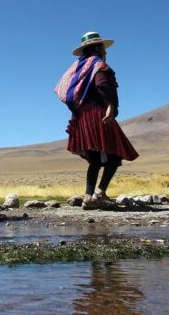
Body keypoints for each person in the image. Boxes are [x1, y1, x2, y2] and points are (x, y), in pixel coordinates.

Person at [55, 32, 139, 210]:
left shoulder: (77, 67)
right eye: (103, 47)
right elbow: (102, 85)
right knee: (115, 154)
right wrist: (110, 105)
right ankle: (99, 194)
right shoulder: (99, 65)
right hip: (98, 113)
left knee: (95, 159)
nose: (105, 51)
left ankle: (88, 197)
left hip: (81, 115)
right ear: (98, 48)